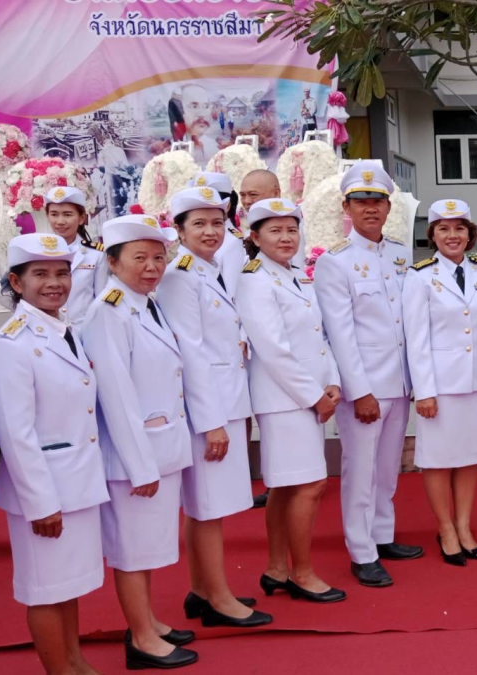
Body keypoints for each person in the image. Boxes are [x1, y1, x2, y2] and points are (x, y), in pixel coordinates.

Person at [81, 214, 198, 669]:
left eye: (158, 257)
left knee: (146, 545)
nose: (152, 267)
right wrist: (140, 466)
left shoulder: (144, 304)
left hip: (158, 446)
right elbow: (115, 395)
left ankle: (147, 620)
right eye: (139, 258)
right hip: (135, 457)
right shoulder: (108, 312)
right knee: (132, 550)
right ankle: (142, 639)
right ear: (112, 262)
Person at [0, 234, 110, 675]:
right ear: (17, 283)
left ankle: (75, 662)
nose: (55, 283)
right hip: (44, 492)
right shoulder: (12, 344)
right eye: (40, 274)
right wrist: (41, 503)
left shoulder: (64, 330)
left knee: (67, 584)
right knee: (44, 588)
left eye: (61, 273)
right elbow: (15, 434)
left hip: (76, 482)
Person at [157, 188, 272, 628]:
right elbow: (191, 353)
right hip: (210, 412)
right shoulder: (180, 276)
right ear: (180, 230)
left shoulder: (206, 270)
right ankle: (218, 598)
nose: (210, 231)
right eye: (199, 224)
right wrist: (212, 424)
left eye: (217, 223)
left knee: (209, 505)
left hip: (224, 402)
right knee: (207, 505)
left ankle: (203, 590)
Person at [315, 161, 422, 587]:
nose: (370, 208)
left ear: (388, 205)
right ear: (347, 207)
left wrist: (414, 381)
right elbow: (340, 335)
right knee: (360, 470)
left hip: (398, 381)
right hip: (366, 386)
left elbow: (406, 323)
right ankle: (361, 551)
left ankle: (382, 534)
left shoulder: (398, 253)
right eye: (361, 201)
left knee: (387, 467)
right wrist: (359, 391)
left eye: (377, 200)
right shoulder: (335, 263)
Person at [236, 198, 345, 604]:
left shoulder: (295, 275)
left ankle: (277, 568)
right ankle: (302, 572)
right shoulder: (254, 279)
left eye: (291, 230)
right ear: (255, 236)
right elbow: (273, 349)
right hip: (284, 399)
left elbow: (317, 336)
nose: (286, 237)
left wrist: (331, 380)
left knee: (284, 487)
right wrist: (314, 396)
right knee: (309, 485)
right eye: (275, 230)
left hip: (307, 394)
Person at [404, 199, 477, 567]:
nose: (453, 235)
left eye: (460, 228)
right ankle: (446, 529)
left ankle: (464, 528)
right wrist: (425, 390)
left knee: (468, 458)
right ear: (432, 235)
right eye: (444, 229)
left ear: (470, 234)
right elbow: (415, 339)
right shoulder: (419, 276)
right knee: (437, 460)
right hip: (441, 385)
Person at [237, 168, 285, 510]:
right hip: (257, 340)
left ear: (277, 190)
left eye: (254, 194)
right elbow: (235, 291)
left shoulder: (292, 231)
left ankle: (283, 483)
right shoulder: (240, 238)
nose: (248, 201)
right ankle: (273, 482)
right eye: (244, 196)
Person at [42, 186, 108, 324]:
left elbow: (102, 300)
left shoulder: (96, 255)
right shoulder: (38, 252)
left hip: (85, 332)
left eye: (67, 214)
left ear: (81, 218)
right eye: (54, 214)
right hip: (48, 330)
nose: (60, 221)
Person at [188, 172, 248, 290]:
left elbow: (231, 293)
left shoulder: (232, 242)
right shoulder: (191, 234)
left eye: (210, 203)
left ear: (227, 206)